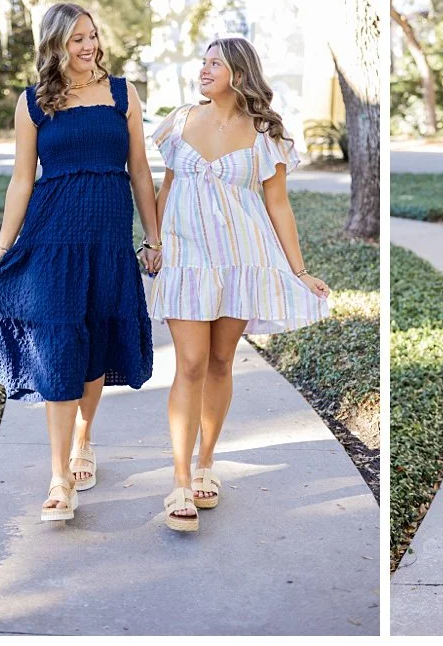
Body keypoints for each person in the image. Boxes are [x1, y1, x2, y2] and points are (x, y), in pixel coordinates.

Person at [0, 2, 160, 523]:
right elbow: (21, 179)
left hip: (108, 239)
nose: (88, 46)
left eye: (93, 36)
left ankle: (84, 439)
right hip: (52, 238)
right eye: (76, 38)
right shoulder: (33, 103)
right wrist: (2, 249)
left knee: (95, 343)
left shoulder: (123, 94)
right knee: (58, 346)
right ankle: (58, 478)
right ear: (55, 44)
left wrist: (154, 234)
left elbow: (140, 170)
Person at [147, 37, 330, 532]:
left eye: (215, 63)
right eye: (203, 61)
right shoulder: (180, 121)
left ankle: (207, 462)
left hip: (241, 260)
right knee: (189, 363)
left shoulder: (265, 134)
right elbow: (166, 189)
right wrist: (153, 241)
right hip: (186, 258)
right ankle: (180, 480)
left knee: (222, 360)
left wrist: (298, 270)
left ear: (240, 74)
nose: (203, 69)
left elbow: (278, 206)